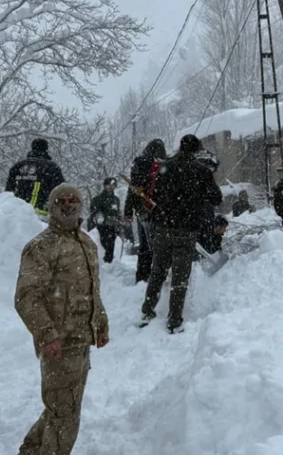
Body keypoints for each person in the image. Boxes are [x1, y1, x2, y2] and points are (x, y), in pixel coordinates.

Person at [13, 184, 109, 455]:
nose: (68, 205)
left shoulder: (87, 243)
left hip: (81, 343)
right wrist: (47, 335)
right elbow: (26, 297)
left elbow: (92, 291)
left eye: (73, 200)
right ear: (52, 206)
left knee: (61, 409)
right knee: (65, 416)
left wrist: (100, 323)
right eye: (61, 201)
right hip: (59, 345)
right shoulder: (41, 246)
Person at [140, 135, 222, 333]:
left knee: (158, 270)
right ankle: (174, 319)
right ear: (195, 150)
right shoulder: (201, 171)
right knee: (180, 275)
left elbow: (154, 194)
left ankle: (147, 310)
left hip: (162, 226)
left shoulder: (164, 168)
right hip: (186, 228)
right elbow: (216, 197)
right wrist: (198, 195)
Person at [127, 139, 167, 283]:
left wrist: (128, 211)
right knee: (160, 244)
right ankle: (159, 276)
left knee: (145, 244)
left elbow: (132, 189)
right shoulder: (167, 163)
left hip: (142, 209)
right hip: (161, 211)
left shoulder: (139, 163)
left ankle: (143, 276)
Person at [5, 138, 66, 215]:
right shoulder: (52, 168)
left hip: (16, 214)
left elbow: (8, 192)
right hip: (41, 215)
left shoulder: (17, 167)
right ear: (46, 149)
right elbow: (62, 192)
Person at [87, 177, 122, 263]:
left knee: (112, 248)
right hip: (101, 228)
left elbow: (118, 213)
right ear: (104, 186)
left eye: (113, 185)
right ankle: (104, 266)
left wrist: (120, 222)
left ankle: (111, 266)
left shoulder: (116, 200)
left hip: (113, 228)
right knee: (103, 248)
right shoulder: (97, 199)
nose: (111, 187)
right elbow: (94, 214)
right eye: (109, 185)